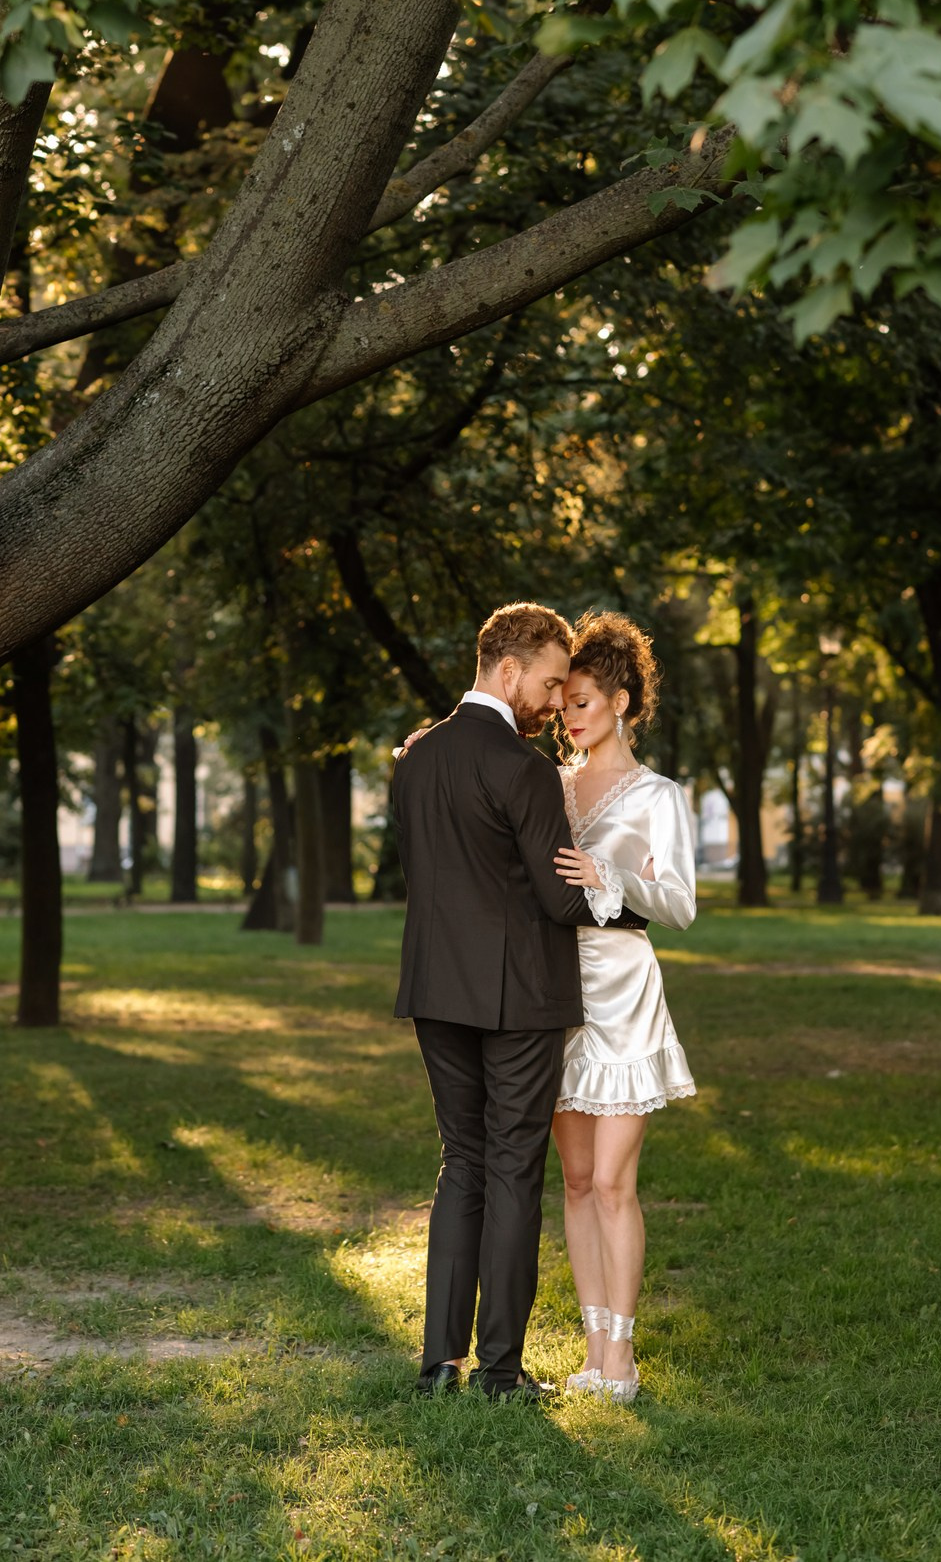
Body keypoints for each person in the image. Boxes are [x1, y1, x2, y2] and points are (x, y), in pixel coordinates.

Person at [391, 601, 646, 1402]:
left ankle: (440, 1365)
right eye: (544, 682)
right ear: (509, 669)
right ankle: (502, 1371)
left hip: (435, 989)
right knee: (510, 1169)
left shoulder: (416, 757)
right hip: (520, 998)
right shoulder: (523, 767)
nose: (549, 699)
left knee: (460, 1163)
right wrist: (634, 911)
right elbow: (562, 899)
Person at [550, 610, 696, 1405]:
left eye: (582, 702)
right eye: (564, 702)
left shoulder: (659, 797)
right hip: (553, 993)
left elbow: (680, 906)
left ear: (624, 702)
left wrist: (617, 880)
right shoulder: (551, 784)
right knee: (574, 1180)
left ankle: (625, 1362)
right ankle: (593, 1349)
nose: (568, 716)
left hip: (625, 993)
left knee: (613, 1181)